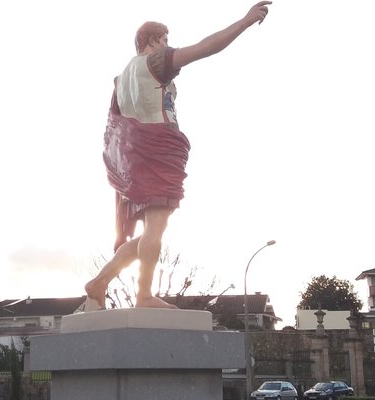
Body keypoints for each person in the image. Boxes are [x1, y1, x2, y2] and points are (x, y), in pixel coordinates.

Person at [83, 1, 272, 311]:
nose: (169, 46)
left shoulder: (120, 79)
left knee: (151, 233)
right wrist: (246, 21)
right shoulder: (155, 62)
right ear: (154, 41)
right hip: (159, 149)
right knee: (155, 230)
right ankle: (144, 296)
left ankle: (99, 282)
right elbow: (206, 47)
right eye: (165, 40)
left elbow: (115, 129)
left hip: (137, 156)